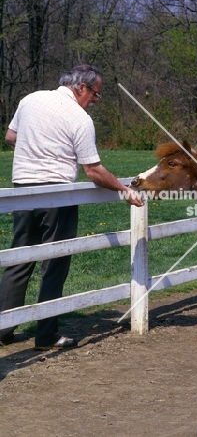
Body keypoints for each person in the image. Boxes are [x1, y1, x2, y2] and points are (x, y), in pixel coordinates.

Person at [0, 64, 143, 350]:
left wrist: (37, 146)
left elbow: (11, 137)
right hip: (58, 195)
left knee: (19, 259)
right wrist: (124, 189)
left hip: (23, 191)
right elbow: (93, 170)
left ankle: (3, 328)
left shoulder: (29, 100)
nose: (95, 101)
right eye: (96, 94)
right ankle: (47, 335)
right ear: (81, 87)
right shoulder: (79, 118)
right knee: (55, 262)